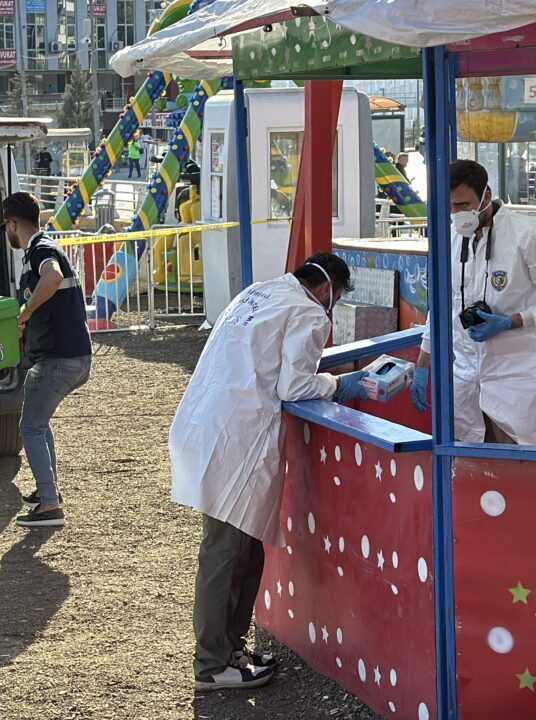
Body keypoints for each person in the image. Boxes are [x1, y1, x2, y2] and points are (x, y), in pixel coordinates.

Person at [170, 253, 368, 692]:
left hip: (208, 425)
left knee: (243, 552)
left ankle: (229, 648)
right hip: (239, 440)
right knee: (224, 554)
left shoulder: (258, 292)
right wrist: (339, 384)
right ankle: (211, 664)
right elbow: (293, 386)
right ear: (326, 290)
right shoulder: (309, 312)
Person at [410, 159, 536, 444]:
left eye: (462, 205)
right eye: (449, 207)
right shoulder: (449, 239)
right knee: (471, 472)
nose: (455, 214)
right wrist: (422, 365)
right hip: (466, 381)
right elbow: (441, 308)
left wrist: (511, 321)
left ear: (486, 196)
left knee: (520, 475)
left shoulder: (529, 235)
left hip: (518, 379)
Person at [1, 192, 93, 528]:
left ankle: (50, 503)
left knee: (30, 427)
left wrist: (25, 312)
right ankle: (47, 491)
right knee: (39, 423)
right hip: (70, 355)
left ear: (12, 223)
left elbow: (52, 277)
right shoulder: (41, 249)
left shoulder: (41, 251)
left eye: (6, 226)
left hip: (60, 357)